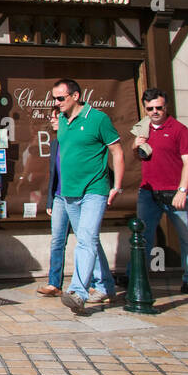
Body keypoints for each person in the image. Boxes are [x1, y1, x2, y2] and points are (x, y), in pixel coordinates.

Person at [53, 78, 125, 314]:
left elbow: (117, 151)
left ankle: (78, 292)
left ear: (75, 96)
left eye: (61, 98)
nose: (57, 103)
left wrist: (117, 186)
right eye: (54, 98)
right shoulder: (62, 121)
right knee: (89, 239)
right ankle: (105, 286)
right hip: (69, 193)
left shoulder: (98, 119)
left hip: (95, 189)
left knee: (85, 240)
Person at [39, 114, 113, 299]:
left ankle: (99, 284)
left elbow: (102, 165)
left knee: (86, 239)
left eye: (58, 116)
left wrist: (107, 191)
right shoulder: (56, 143)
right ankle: (54, 283)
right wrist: (50, 199)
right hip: (60, 197)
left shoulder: (79, 139)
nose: (54, 120)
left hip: (81, 195)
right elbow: (53, 174)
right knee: (57, 240)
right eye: (52, 117)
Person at [134, 88, 188, 293]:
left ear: (166, 107)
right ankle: (137, 276)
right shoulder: (143, 129)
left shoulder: (179, 129)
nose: (155, 111)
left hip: (174, 192)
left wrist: (182, 190)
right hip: (148, 192)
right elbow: (140, 158)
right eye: (150, 108)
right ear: (145, 109)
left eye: (159, 108)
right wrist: (134, 147)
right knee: (142, 236)